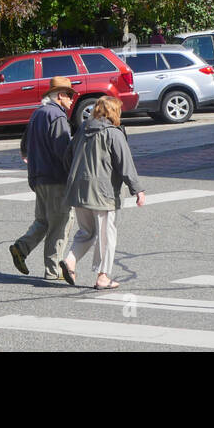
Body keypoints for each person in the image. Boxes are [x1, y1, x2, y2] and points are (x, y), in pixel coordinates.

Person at [59, 95, 145, 290]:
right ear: (114, 112)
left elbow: (67, 157)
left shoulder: (82, 130)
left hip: (79, 190)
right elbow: (125, 164)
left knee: (86, 232)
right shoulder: (113, 133)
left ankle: (70, 261)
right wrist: (137, 190)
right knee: (106, 236)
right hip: (102, 193)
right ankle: (103, 277)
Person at [9, 76, 77, 283]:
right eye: (69, 95)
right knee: (61, 223)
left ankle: (22, 247)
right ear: (59, 96)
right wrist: (74, 170)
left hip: (38, 177)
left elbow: (24, 142)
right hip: (56, 178)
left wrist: (28, 156)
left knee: (44, 220)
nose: (72, 100)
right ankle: (53, 269)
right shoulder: (57, 116)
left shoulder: (37, 114)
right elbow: (63, 149)